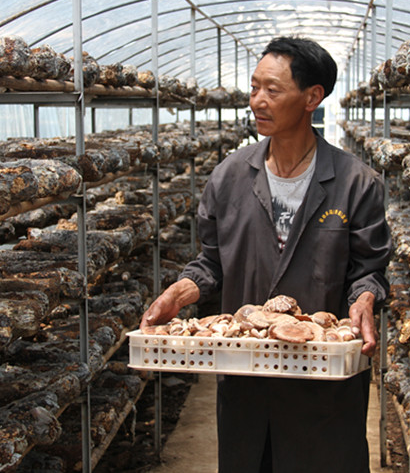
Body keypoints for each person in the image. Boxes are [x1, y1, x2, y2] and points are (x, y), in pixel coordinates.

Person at [141, 36, 392, 472]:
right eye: (254, 87)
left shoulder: (356, 182)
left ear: (312, 97)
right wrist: (179, 292)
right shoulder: (229, 177)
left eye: (272, 90)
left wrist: (365, 298)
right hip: (248, 381)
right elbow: (211, 262)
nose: (257, 100)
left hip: (321, 386)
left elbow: (368, 270)